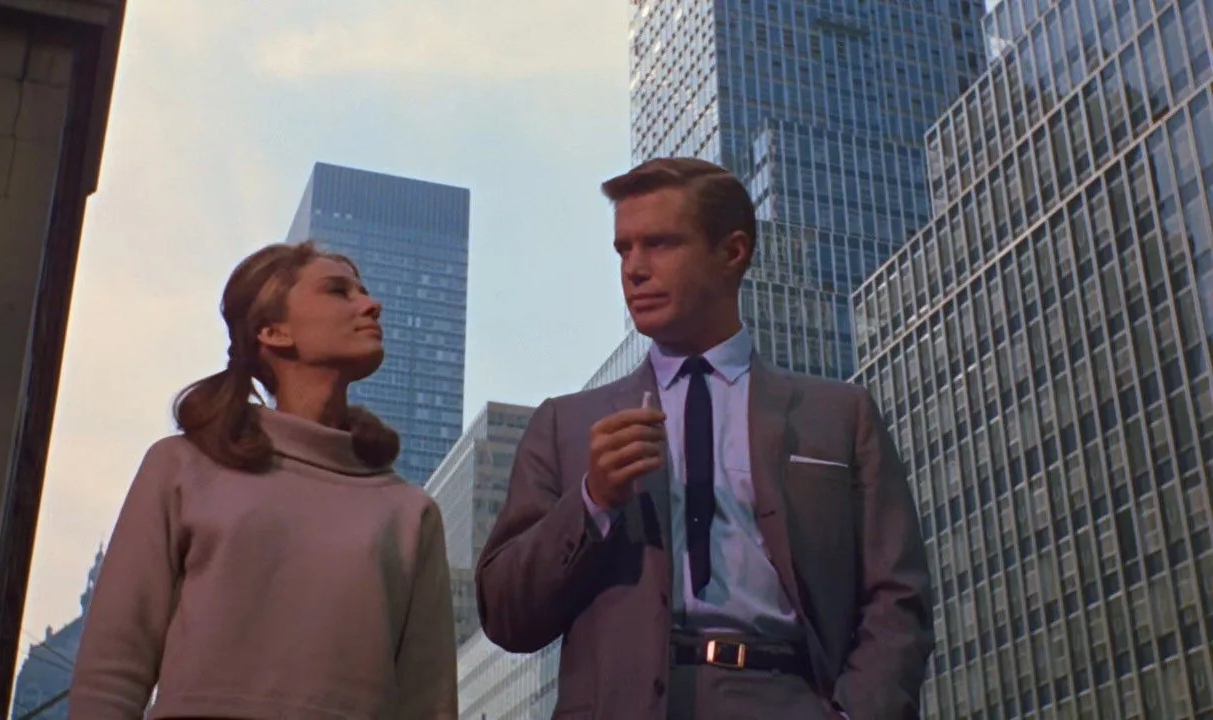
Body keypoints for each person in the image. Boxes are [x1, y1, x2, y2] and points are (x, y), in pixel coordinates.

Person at [475, 158, 931, 719]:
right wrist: (592, 502)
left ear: (732, 252)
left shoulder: (840, 416)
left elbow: (897, 598)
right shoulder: (563, 426)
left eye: (660, 244)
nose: (634, 270)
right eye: (623, 250)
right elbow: (506, 615)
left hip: (788, 697)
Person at [69, 241, 457, 720]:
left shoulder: (410, 511)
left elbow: (429, 705)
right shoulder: (181, 466)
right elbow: (111, 671)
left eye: (364, 291)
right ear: (273, 331)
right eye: (339, 291)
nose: (371, 304)